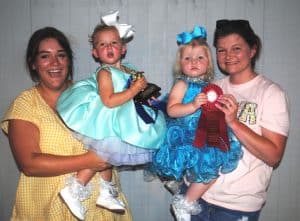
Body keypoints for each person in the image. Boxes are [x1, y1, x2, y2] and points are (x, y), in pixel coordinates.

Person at [1, 26, 133, 221]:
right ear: (33, 64)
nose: (55, 63)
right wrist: (91, 161)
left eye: (61, 55)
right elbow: (29, 164)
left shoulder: (90, 93)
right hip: (50, 211)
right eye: (45, 56)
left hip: (102, 210)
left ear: (69, 61)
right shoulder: (26, 104)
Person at [56, 10, 166, 220]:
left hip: (125, 119)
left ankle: (106, 191)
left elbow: (137, 93)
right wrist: (133, 90)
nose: (109, 48)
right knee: (104, 155)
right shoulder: (105, 73)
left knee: (110, 158)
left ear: (123, 48)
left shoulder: (129, 69)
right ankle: (75, 188)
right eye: (102, 44)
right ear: (95, 53)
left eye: (114, 43)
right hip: (111, 119)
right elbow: (108, 100)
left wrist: (145, 96)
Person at [186, 19, 290, 221]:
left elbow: (273, 156)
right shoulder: (212, 89)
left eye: (236, 48)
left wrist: (233, 122)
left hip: (236, 207)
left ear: (252, 50)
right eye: (222, 50)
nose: (228, 56)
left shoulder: (271, 93)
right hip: (197, 197)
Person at [152, 25, 242, 221]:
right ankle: (183, 200)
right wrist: (192, 105)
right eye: (188, 58)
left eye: (200, 57)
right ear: (180, 63)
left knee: (214, 167)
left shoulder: (212, 87)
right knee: (203, 167)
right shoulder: (182, 84)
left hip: (208, 135)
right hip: (188, 134)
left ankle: (184, 199)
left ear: (208, 62)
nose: (194, 62)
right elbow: (172, 109)